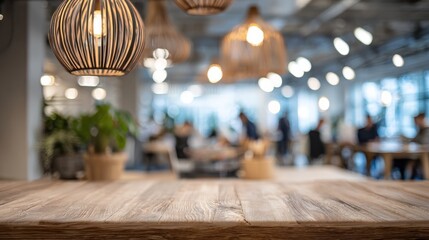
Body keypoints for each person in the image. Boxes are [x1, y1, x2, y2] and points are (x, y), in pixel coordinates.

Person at [394, 113, 429, 179]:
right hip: (419, 155)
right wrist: (404, 138)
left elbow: (423, 143)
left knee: (402, 161)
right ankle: (405, 178)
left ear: (422, 119)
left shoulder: (426, 130)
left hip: (424, 156)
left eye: (416, 120)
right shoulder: (420, 129)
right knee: (399, 160)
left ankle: (408, 178)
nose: (415, 122)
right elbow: (414, 140)